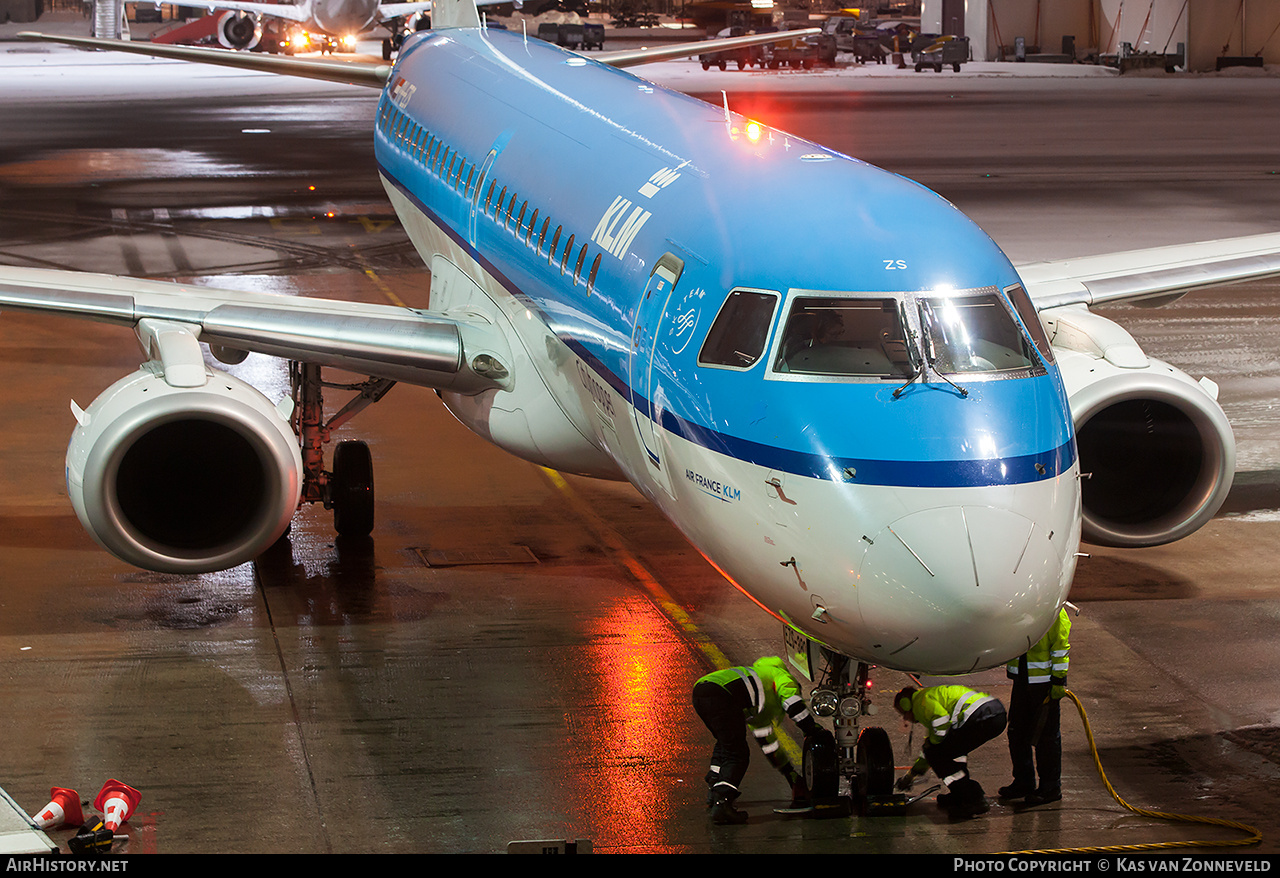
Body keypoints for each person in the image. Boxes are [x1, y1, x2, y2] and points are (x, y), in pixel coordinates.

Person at [691, 656, 823, 825]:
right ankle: (722, 803)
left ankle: (714, 788)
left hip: (701, 689)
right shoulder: (781, 676)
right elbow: (794, 705)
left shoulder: (760, 693)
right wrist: (812, 730)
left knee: (726, 742)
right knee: (737, 754)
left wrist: (790, 775)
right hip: (720, 694)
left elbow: (769, 745)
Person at [893, 684, 1007, 817]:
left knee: (939, 754)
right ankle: (960, 795)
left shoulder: (921, 703)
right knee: (952, 752)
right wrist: (910, 776)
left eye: (903, 713)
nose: (905, 719)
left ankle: (973, 799)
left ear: (906, 704)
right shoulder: (928, 697)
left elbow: (940, 726)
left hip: (981, 716)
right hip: (994, 713)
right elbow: (930, 749)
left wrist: (932, 746)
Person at [1000, 606, 1071, 806]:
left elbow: (1060, 647)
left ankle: (1050, 787)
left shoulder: (1055, 613)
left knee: (1046, 737)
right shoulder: (1022, 608)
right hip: (1022, 680)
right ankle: (1024, 781)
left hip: (1044, 685)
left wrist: (1058, 680)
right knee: (1016, 732)